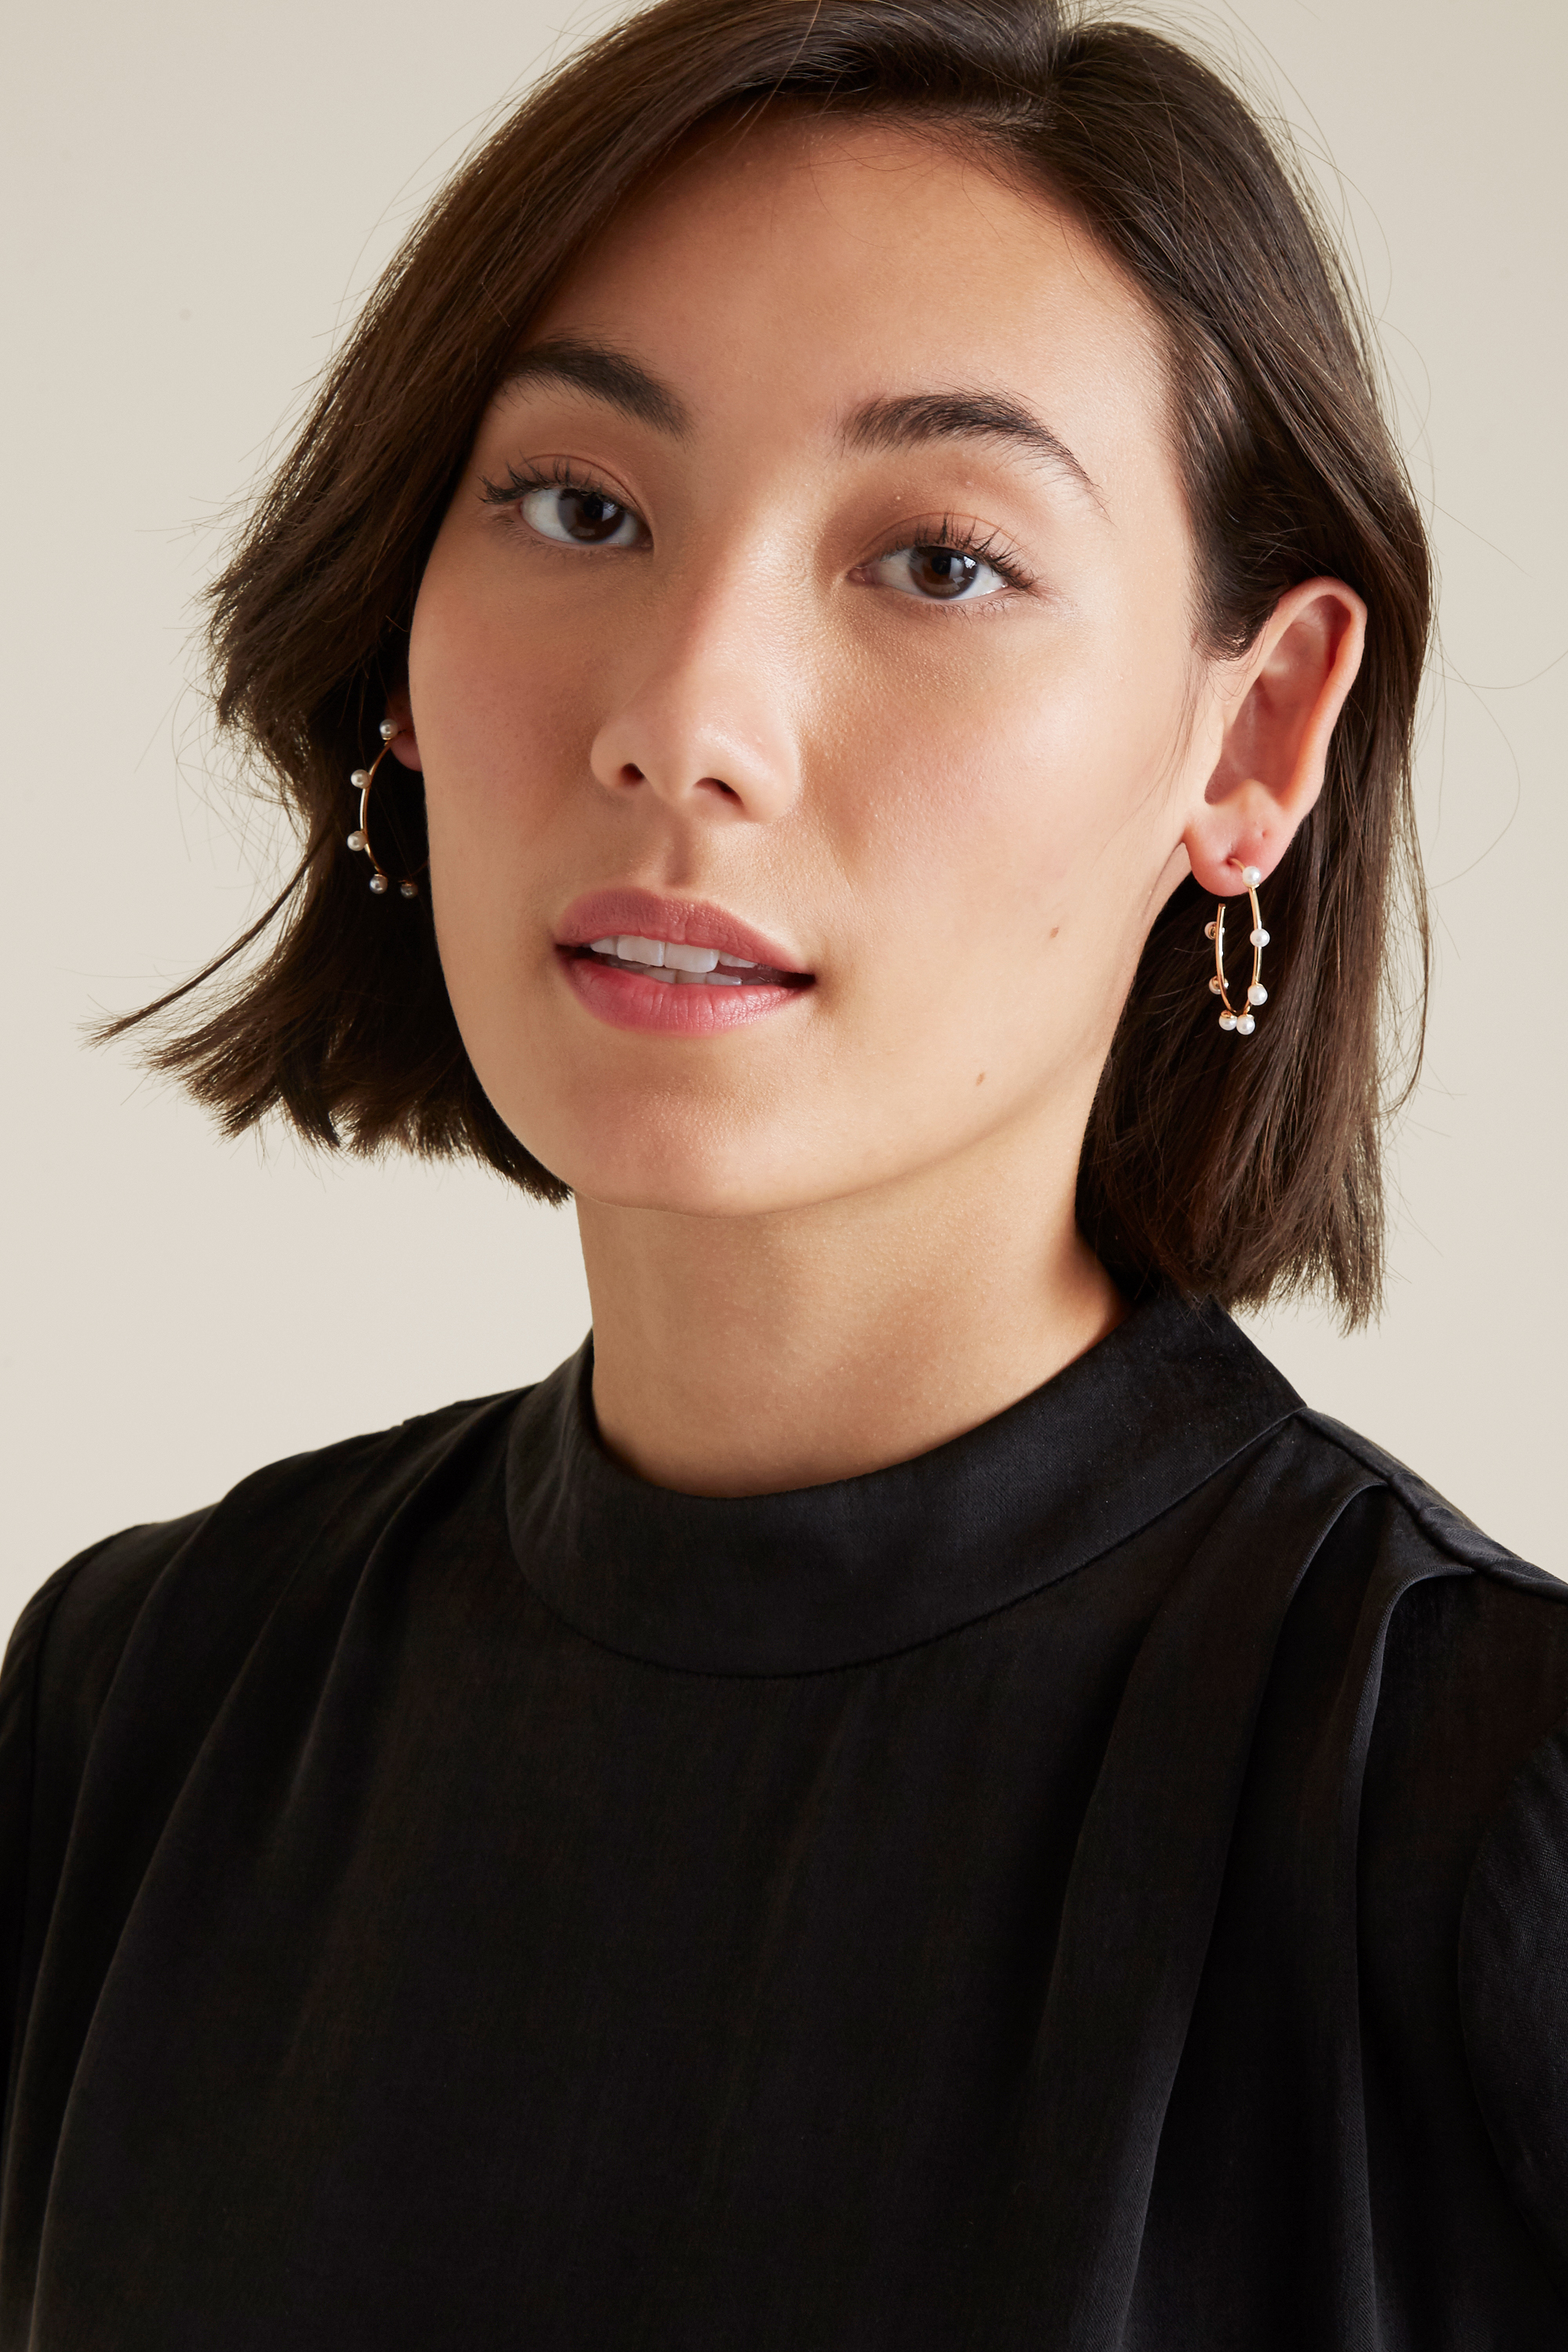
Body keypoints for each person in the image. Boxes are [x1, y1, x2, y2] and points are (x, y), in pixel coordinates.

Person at [3, 0, 1564, 2341]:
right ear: (398, 655)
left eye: (938, 559)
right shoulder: (141, 1710)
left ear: (1250, 736)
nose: (684, 721)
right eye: (580, 507)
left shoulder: (1478, 1825)